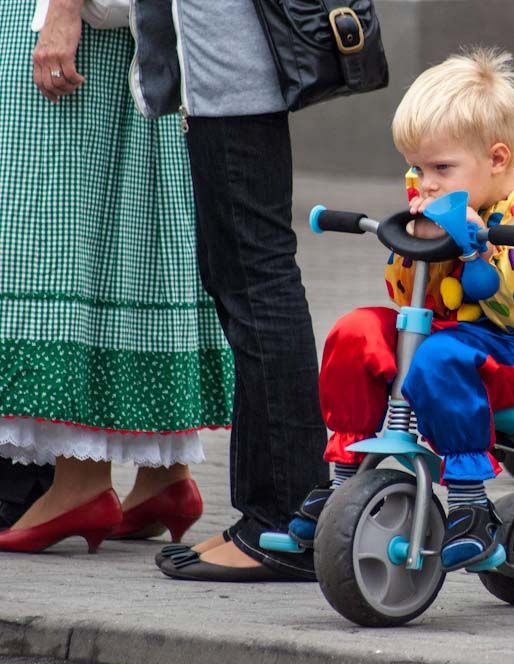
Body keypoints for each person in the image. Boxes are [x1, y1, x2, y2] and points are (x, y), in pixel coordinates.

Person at [290, 49, 514, 570]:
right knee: (357, 331)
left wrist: (480, 249)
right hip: (455, 342)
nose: (424, 183)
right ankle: (343, 482)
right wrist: (418, 246)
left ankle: (471, 504)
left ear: (496, 159)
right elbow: (409, 304)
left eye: (440, 168)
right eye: (416, 167)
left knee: (441, 354)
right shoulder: (435, 197)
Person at [0, 1, 232, 553]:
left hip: (78, 37)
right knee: (142, 232)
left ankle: (81, 480)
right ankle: (165, 478)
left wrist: (61, 10)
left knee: (66, 230)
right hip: (148, 40)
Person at [129, 1, 330, 582]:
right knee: (241, 278)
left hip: (233, 70)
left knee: (256, 279)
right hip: (223, 71)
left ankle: (287, 519)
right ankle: (267, 516)